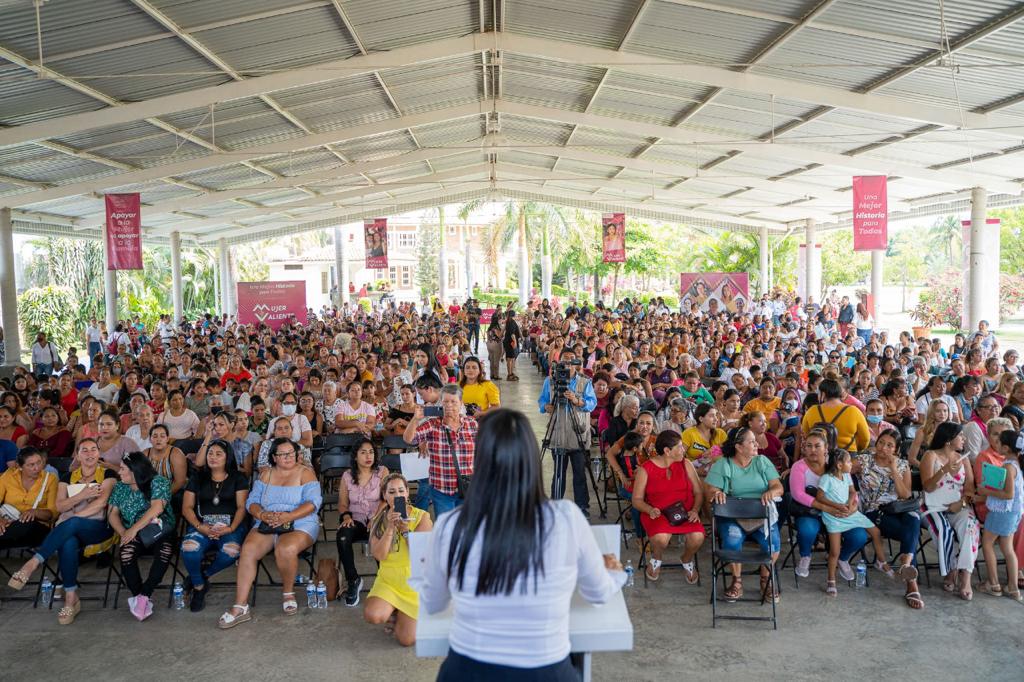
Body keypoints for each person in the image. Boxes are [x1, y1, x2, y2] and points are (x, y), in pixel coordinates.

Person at [421, 409, 623, 679]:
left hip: (468, 670)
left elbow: (433, 604)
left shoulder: (450, 525)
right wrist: (615, 572)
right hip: (546, 671)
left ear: (478, 460)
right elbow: (598, 593)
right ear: (532, 459)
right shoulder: (566, 518)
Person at [5, 439, 116, 624]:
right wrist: (81, 496)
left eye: (93, 450)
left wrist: (75, 516)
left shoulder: (108, 474)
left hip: (98, 528)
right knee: (68, 541)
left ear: (98, 453)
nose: (89, 454)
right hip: (70, 530)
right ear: (78, 455)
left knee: (71, 523)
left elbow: (101, 503)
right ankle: (71, 597)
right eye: (84, 450)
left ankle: (32, 563)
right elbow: (60, 505)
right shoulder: (67, 477)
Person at [219, 437, 321, 628]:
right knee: (248, 549)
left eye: (291, 453)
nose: (288, 457)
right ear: (274, 457)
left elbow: (313, 503)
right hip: (267, 521)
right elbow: (252, 502)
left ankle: (288, 592)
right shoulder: (265, 475)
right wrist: (263, 514)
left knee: (285, 548)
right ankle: (240, 606)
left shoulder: (305, 473)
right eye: (282, 454)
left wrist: (287, 517)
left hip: (300, 521)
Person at [704, 426, 784, 603]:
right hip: (734, 516)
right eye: (752, 441)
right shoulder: (724, 464)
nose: (757, 444)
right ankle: (737, 581)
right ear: (739, 447)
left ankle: (765, 578)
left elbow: (778, 487)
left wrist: (772, 492)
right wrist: (717, 493)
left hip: (761, 515)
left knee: (773, 544)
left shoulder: (761, 461)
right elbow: (711, 490)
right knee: (732, 540)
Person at [853, 429, 924, 609]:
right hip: (874, 510)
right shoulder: (864, 460)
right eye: (881, 443)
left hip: (899, 507)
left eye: (890, 445)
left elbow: (905, 495)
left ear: (896, 449)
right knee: (910, 533)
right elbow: (839, 469)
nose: (884, 448)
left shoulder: (902, 465)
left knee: (913, 518)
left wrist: (893, 470)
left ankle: (907, 564)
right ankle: (910, 581)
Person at [180, 439, 249, 612]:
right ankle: (199, 587)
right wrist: (199, 526)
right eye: (210, 453)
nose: (213, 457)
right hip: (202, 525)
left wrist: (231, 528)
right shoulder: (198, 477)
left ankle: (202, 575)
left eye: (219, 454)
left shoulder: (238, 478)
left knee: (231, 551)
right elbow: (186, 507)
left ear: (228, 457)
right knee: (189, 548)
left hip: (230, 526)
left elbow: (242, 507)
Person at [364, 473, 432, 647]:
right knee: (373, 615)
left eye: (401, 490)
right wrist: (390, 528)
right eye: (392, 492)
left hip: (414, 583)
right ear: (385, 496)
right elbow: (379, 556)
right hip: (389, 581)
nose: (397, 495)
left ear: (408, 493)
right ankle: (393, 610)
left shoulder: (422, 517)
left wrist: (406, 531)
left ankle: (406, 612)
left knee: (406, 640)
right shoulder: (377, 520)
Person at [815, 448, 894, 596]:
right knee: (834, 551)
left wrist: (851, 505)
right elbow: (820, 497)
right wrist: (837, 506)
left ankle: (881, 561)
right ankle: (831, 580)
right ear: (839, 465)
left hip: (850, 513)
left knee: (875, 531)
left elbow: (852, 492)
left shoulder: (846, 476)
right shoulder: (827, 478)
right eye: (848, 462)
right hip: (835, 515)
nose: (851, 464)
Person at [108, 451, 176, 621]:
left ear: (135, 470)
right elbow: (112, 514)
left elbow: (157, 509)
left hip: (159, 529)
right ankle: (139, 596)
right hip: (132, 532)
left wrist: (133, 530)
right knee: (125, 553)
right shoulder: (120, 487)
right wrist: (124, 532)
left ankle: (145, 595)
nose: (120, 472)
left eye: (123, 469)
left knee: (165, 551)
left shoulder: (158, 482)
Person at [631, 430, 705, 582]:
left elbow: (698, 492)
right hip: (658, 513)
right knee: (661, 538)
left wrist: (695, 510)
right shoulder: (646, 468)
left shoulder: (686, 464)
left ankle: (686, 559)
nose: (684, 449)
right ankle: (656, 558)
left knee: (697, 537)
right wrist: (649, 509)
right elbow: (637, 499)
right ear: (667, 451)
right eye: (679, 447)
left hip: (685, 512)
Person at [920, 422, 979, 601]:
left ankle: (965, 575)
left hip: (957, 506)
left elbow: (970, 489)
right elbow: (928, 488)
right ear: (948, 440)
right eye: (961, 436)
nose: (964, 439)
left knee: (971, 527)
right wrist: (944, 470)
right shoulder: (930, 456)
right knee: (943, 531)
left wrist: (961, 503)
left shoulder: (964, 459)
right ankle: (951, 570)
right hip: (933, 506)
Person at [537, 352, 597, 516]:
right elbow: (541, 401)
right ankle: (555, 506)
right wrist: (546, 406)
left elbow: (592, 403)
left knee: (579, 473)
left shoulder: (585, 382)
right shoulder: (550, 381)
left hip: (578, 434)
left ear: (576, 363)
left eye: (572, 360)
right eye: (565, 360)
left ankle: (582, 507)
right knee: (558, 473)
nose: (568, 364)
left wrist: (577, 400)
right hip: (558, 434)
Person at [403, 385, 477, 516]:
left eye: (453, 401)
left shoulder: (472, 424)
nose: (449, 405)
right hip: (442, 489)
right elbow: (409, 439)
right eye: (445, 402)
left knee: (465, 530)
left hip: (468, 488)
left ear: (461, 404)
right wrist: (415, 419)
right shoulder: (433, 424)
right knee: (445, 531)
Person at [336, 438, 390, 606]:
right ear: (355, 457)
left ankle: (385, 581)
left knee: (378, 534)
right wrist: (346, 517)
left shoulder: (382, 472)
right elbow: (343, 503)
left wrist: (375, 516)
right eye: (363, 452)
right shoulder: (347, 476)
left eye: (371, 452)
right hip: (356, 518)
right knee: (343, 536)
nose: (368, 456)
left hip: (379, 516)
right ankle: (353, 580)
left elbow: (387, 498)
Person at [975, 428, 1023, 599]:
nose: (995, 444)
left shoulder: (1009, 467)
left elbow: (1008, 494)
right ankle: (1012, 587)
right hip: (1013, 513)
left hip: (1002, 512)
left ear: (1005, 448)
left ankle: (993, 583)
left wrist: (985, 491)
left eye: (999, 442)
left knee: (987, 544)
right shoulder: (1016, 464)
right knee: (1007, 548)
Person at [0, 447, 58, 550]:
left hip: (36, 527)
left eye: (39, 462)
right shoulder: (9, 475)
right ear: (20, 466)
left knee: (27, 524)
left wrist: (35, 512)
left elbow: (52, 515)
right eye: (31, 465)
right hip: (8, 522)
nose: (37, 468)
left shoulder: (50, 479)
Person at [801, 379, 869, 453]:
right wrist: (856, 449)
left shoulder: (812, 411)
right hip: (847, 456)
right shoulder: (854, 411)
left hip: (820, 455)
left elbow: (806, 434)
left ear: (823, 394)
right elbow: (865, 439)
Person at [502, 309, 522, 381]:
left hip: (508, 342)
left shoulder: (508, 322)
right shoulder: (512, 323)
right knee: (510, 359)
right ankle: (509, 374)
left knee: (511, 358)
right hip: (510, 343)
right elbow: (512, 334)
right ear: (513, 316)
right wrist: (515, 342)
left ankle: (511, 373)